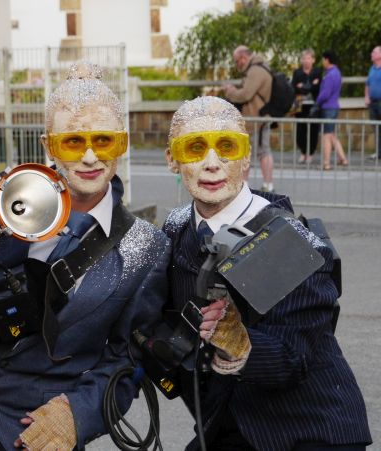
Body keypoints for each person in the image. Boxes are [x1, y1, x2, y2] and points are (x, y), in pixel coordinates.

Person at [0, 63, 170, 450]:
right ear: (49, 145)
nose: (91, 157)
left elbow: (126, 359)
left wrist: (77, 415)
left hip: (34, 431)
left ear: (123, 143)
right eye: (73, 142)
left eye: (104, 141)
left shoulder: (146, 247)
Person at [159, 96, 371, 450]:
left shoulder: (289, 240)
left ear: (246, 157)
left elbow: (293, 357)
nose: (212, 164)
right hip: (225, 422)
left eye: (227, 147)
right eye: (195, 148)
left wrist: (242, 345)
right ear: (172, 159)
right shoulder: (175, 227)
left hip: (308, 427)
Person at [224, 45, 274, 193]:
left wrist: (231, 92)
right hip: (259, 117)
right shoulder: (258, 68)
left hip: (257, 118)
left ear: (243, 57)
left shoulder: (255, 71)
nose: (236, 64)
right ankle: (255, 184)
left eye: (236, 61)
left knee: (259, 151)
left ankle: (265, 185)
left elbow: (246, 94)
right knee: (251, 151)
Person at [317, 50, 348, 170]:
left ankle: (326, 163)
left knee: (326, 135)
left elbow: (325, 93)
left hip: (328, 108)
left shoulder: (330, 75)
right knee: (331, 134)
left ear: (327, 60)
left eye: (323, 59)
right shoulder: (337, 72)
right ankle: (343, 159)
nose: (322, 62)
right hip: (334, 106)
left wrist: (317, 102)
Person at [291, 48, 322, 163]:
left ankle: (311, 153)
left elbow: (317, 88)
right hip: (300, 105)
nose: (306, 61)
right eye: (304, 58)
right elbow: (294, 87)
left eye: (308, 58)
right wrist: (309, 86)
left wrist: (303, 86)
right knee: (300, 130)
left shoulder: (317, 72)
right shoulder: (297, 72)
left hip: (314, 105)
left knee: (313, 130)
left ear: (313, 60)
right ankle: (303, 152)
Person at [364, 45, 381, 161]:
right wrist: (366, 96)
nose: (371, 54)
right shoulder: (372, 68)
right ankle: (378, 152)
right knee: (376, 128)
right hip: (373, 103)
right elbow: (367, 84)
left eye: (374, 52)